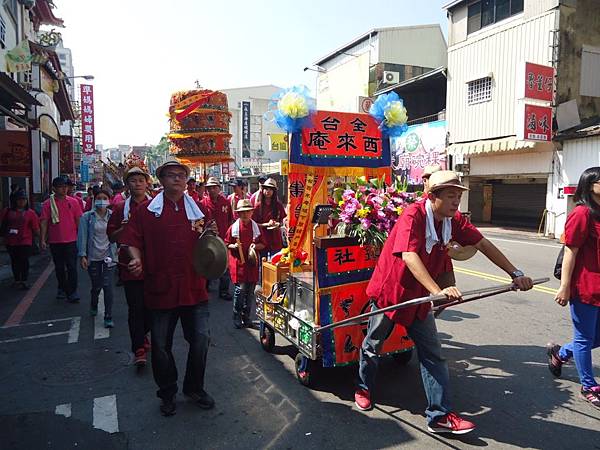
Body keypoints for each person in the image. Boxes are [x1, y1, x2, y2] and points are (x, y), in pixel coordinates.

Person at [354, 170, 533, 434]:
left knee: (433, 354)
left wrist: (515, 273)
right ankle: (363, 386)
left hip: (421, 297)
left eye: (458, 197)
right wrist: (438, 290)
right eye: (450, 196)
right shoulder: (413, 214)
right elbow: (409, 256)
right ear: (433, 196)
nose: (455, 202)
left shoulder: (455, 220)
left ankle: (439, 415)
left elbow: (483, 244)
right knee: (373, 344)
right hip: (392, 291)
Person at [122, 161, 215, 416]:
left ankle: (194, 387)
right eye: (171, 175)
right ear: (160, 180)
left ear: (187, 180)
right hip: (160, 288)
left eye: (181, 175)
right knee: (161, 345)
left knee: (201, 340)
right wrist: (136, 258)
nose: (177, 179)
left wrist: (213, 239)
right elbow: (130, 240)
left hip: (193, 287)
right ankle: (167, 391)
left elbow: (210, 243)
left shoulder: (198, 211)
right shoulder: (145, 212)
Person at [547, 166, 600, 408]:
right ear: (590, 185)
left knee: (592, 338)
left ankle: (561, 354)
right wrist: (565, 286)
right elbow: (571, 251)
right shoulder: (582, 214)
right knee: (584, 338)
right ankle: (588, 386)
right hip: (585, 288)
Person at [107, 166, 153, 367]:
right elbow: (111, 236)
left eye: (141, 180)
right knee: (135, 308)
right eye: (133, 181)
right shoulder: (119, 209)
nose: (137, 184)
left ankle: (142, 335)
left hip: (153, 265)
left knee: (153, 309)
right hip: (129, 266)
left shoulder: (156, 206)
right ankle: (138, 348)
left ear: (147, 183)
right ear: (127, 185)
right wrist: (125, 228)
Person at [77, 189, 117, 328]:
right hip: (93, 257)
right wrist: (83, 255)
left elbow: (117, 235)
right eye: (99, 198)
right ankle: (93, 304)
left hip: (109, 257)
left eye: (104, 198)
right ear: (94, 200)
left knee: (108, 286)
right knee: (96, 286)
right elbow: (82, 237)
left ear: (109, 200)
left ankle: (108, 316)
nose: (102, 200)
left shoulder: (113, 216)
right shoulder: (87, 217)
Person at [40, 176, 84, 302]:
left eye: (65, 187)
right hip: (55, 241)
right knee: (59, 267)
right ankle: (63, 288)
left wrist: (81, 238)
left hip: (71, 240)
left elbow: (78, 221)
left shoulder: (73, 202)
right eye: (61, 187)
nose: (64, 189)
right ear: (54, 189)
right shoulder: (48, 204)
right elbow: (44, 221)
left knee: (72, 267)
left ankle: (73, 291)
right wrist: (42, 239)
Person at [225, 199, 266, 328]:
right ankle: (236, 316)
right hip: (239, 264)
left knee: (250, 292)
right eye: (242, 212)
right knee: (240, 291)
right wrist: (234, 246)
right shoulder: (233, 228)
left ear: (251, 212)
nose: (245, 214)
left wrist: (255, 246)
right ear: (238, 214)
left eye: (247, 211)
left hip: (252, 264)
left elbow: (263, 244)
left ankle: (246, 317)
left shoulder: (256, 228)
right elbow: (226, 243)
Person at [201, 177, 234, 301]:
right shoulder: (203, 203)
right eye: (209, 188)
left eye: (214, 187)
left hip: (223, 239)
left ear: (219, 188)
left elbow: (230, 219)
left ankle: (224, 291)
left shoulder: (225, 202)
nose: (212, 190)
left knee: (224, 265)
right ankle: (204, 288)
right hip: (208, 240)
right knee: (207, 263)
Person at [0, 190, 40, 289]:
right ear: (15, 201)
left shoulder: (30, 213)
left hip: (25, 241)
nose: (22, 202)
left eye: (24, 200)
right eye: (19, 200)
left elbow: (35, 228)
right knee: (14, 260)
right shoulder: (7, 211)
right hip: (11, 241)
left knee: (24, 260)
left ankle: (24, 280)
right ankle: (17, 280)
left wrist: (41, 239)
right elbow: (2, 225)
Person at [252, 178, 286, 259]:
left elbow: (283, 220)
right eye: (266, 189)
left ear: (274, 191)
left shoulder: (278, 205)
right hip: (262, 240)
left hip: (276, 239)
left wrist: (278, 224)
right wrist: (266, 224)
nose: (268, 191)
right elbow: (253, 224)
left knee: (275, 264)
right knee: (263, 264)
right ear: (263, 190)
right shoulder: (258, 206)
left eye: (271, 189)